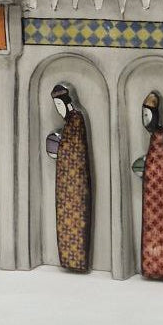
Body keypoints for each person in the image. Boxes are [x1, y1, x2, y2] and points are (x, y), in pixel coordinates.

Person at [134, 91, 163, 282]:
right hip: (153, 200)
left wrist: (147, 167)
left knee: (161, 232)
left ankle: (162, 267)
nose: (145, 120)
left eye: (147, 115)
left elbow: (159, 165)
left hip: (158, 199)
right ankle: (152, 266)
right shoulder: (157, 136)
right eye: (143, 115)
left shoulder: (161, 136)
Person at [46, 84, 92, 273]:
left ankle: (77, 261)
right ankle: (68, 260)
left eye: (59, 104)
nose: (58, 110)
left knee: (75, 222)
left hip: (74, 183)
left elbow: (75, 150)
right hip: (65, 183)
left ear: (67, 103)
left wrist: (60, 149)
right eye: (56, 105)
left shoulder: (76, 120)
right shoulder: (70, 123)